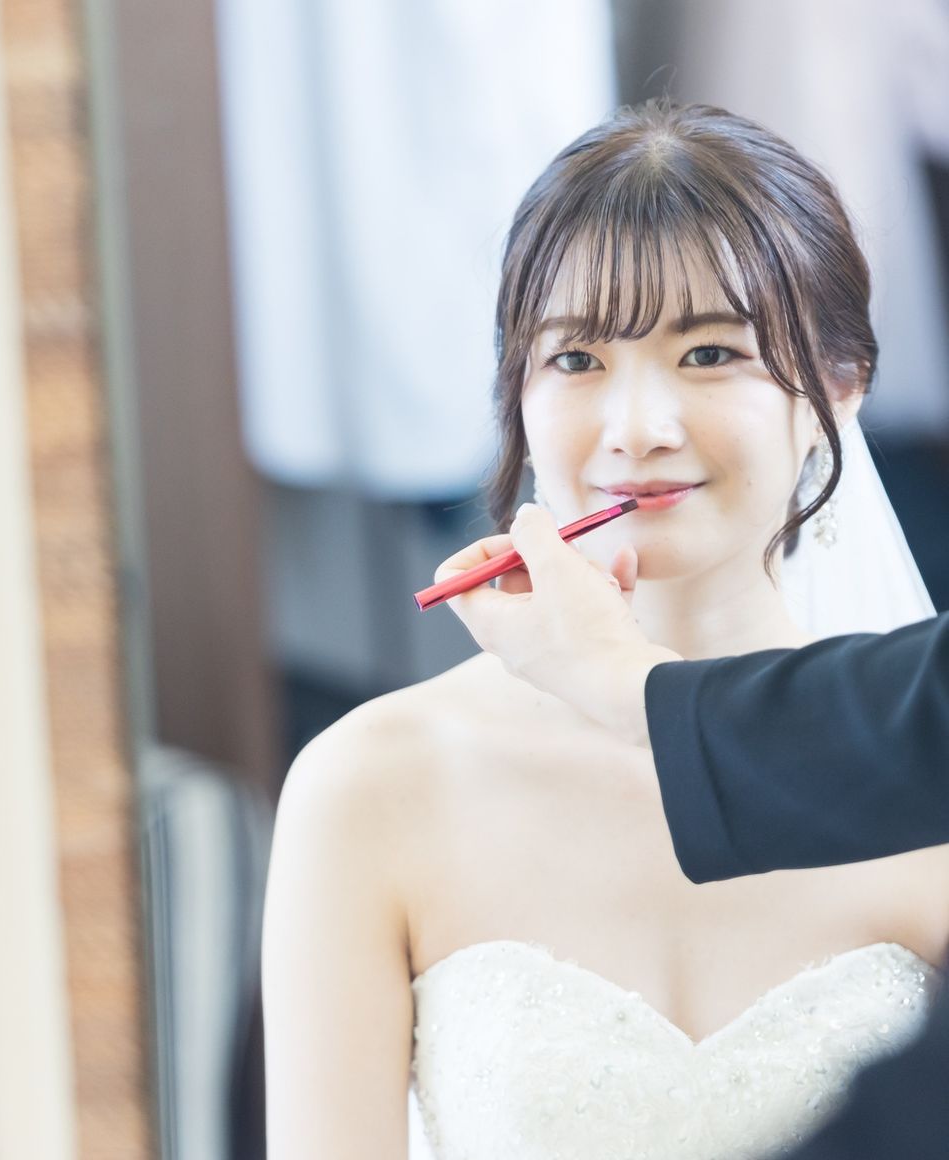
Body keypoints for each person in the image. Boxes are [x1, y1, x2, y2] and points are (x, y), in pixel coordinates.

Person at [262, 101, 946, 1160]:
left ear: (838, 388)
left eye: (709, 352)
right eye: (576, 360)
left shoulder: (921, 776)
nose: (636, 427)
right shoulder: (367, 786)